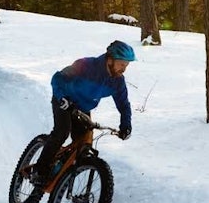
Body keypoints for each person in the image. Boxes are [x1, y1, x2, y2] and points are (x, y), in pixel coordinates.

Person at [30, 40, 135, 186]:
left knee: (83, 145)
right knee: (61, 133)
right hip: (64, 100)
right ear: (110, 60)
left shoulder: (117, 82)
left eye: (127, 65)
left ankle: (62, 177)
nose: (124, 69)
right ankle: (39, 171)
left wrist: (126, 126)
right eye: (122, 64)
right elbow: (57, 78)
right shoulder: (86, 65)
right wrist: (62, 98)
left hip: (82, 107)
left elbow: (124, 105)